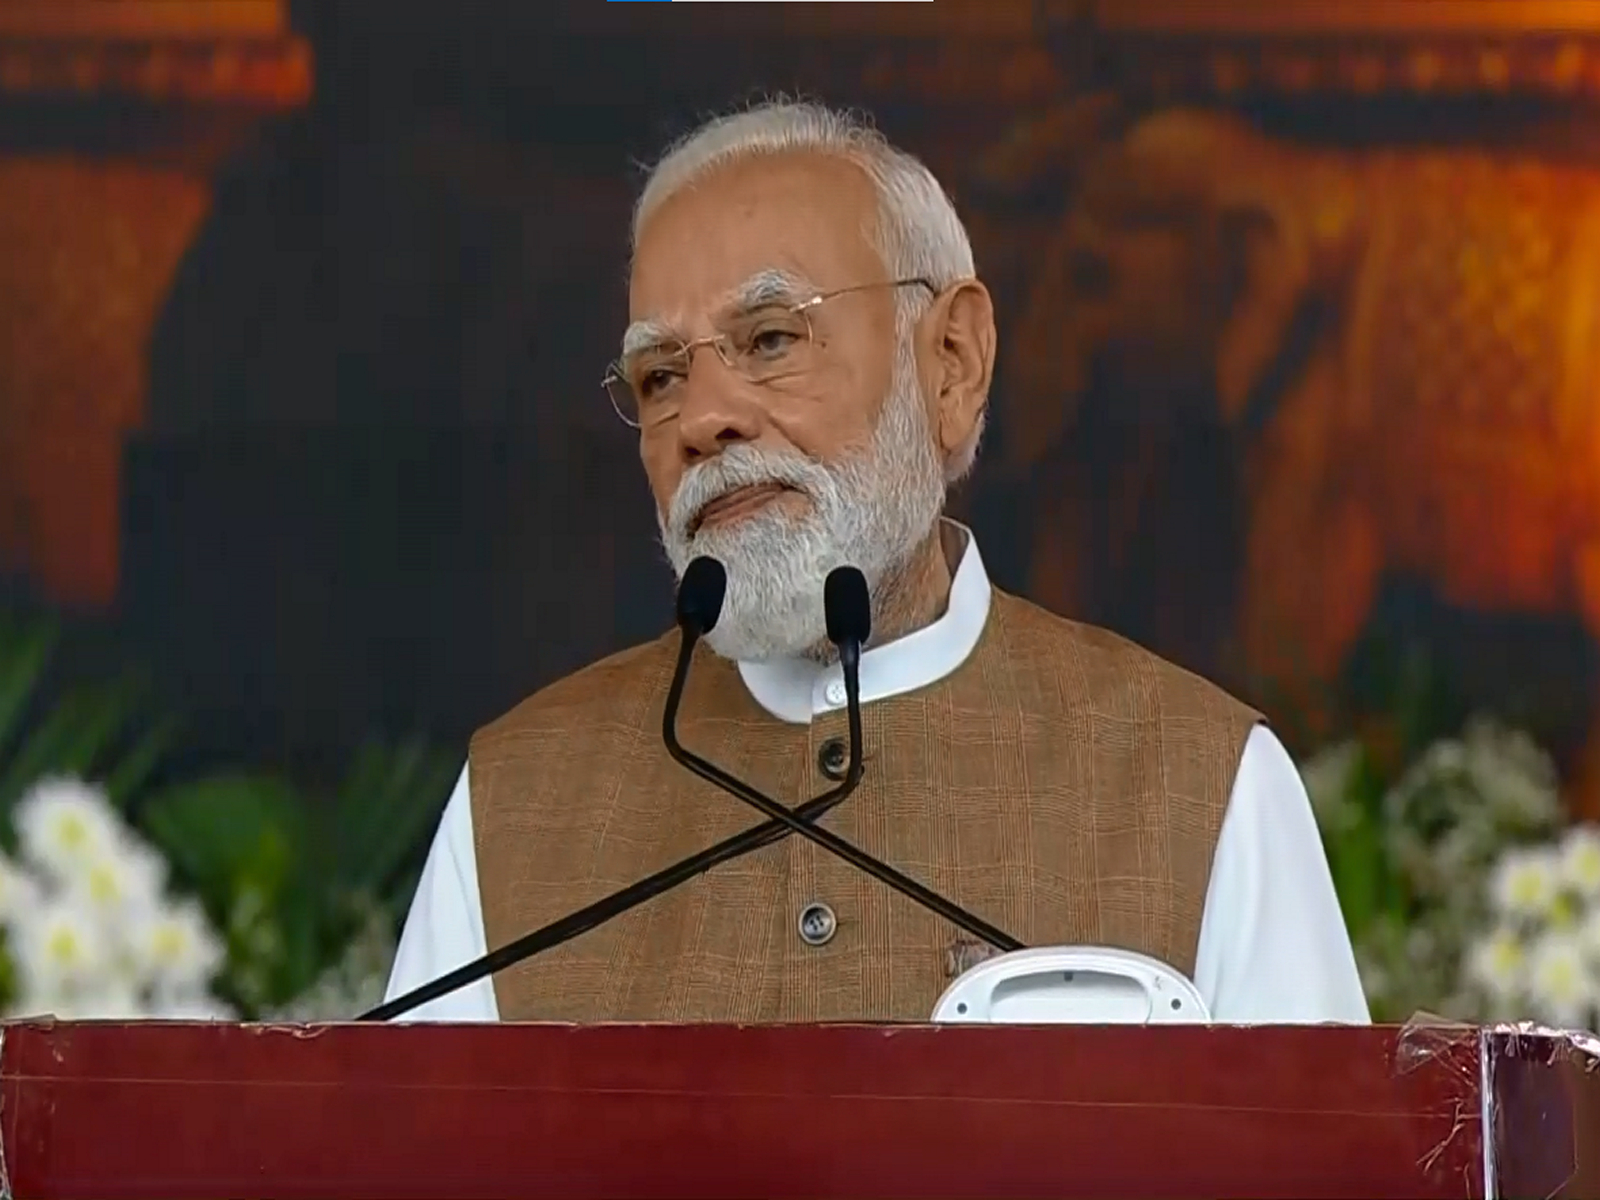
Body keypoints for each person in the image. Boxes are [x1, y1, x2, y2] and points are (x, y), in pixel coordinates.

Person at [384, 100, 1371, 1026]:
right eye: (659, 376)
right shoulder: (518, 796)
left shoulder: (1199, 780)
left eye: (770, 338)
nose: (701, 419)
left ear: (951, 361)